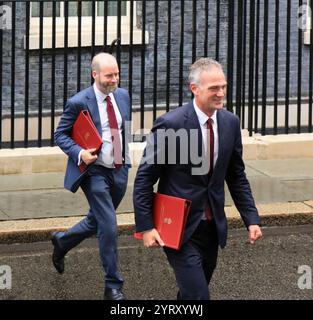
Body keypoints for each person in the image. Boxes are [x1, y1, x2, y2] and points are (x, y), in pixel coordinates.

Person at [133, 57, 262, 300]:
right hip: (178, 227)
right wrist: (146, 227)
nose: (221, 93)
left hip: (212, 227)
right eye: (214, 88)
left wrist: (251, 219)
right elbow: (144, 179)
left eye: (223, 86)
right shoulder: (170, 124)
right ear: (195, 88)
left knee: (192, 292)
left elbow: (236, 176)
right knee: (199, 296)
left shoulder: (230, 123)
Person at [52, 52, 131, 300]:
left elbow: (121, 128)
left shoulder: (123, 95)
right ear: (95, 74)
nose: (114, 79)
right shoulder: (79, 102)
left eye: (117, 73)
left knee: (97, 219)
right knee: (108, 224)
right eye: (109, 75)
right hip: (94, 170)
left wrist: (125, 160)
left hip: (119, 168)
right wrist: (80, 153)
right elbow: (60, 135)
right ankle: (113, 285)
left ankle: (62, 242)